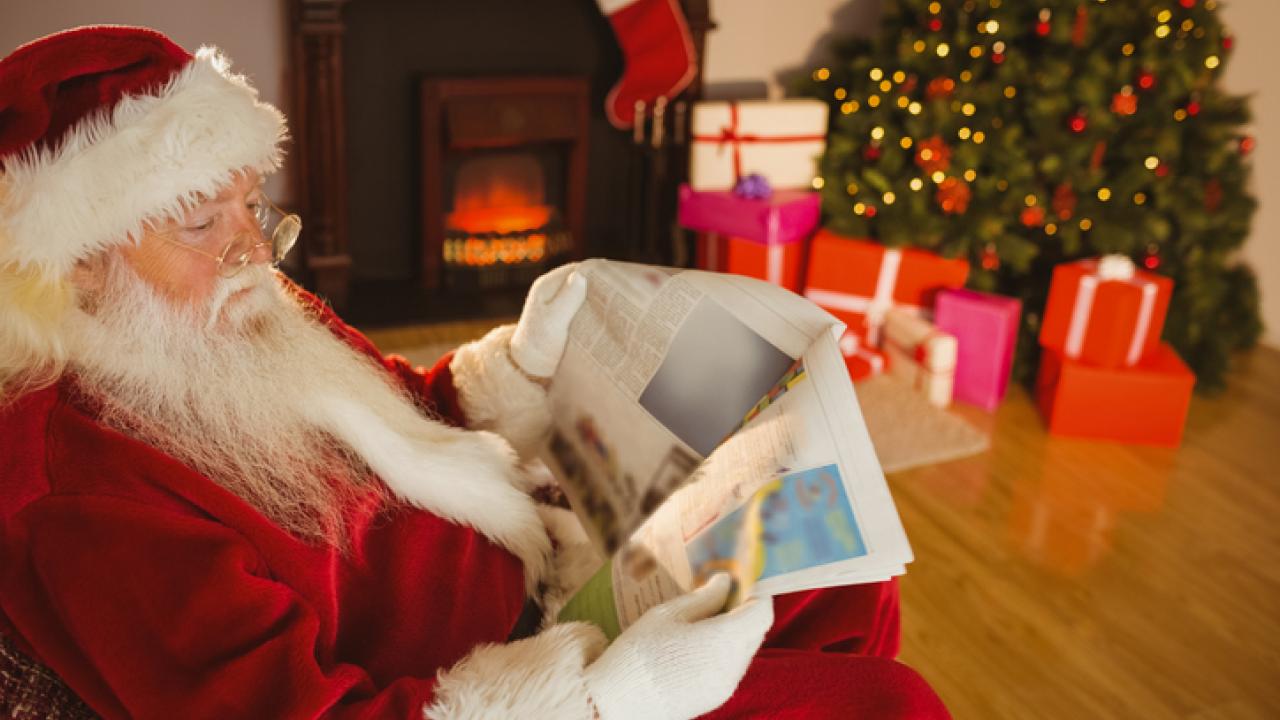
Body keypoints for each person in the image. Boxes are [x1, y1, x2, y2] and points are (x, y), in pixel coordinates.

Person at [0, 26, 949, 719]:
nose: (256, 250)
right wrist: (607, 697)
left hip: (539, 562)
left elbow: (401, 412)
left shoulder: (226, 306)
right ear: (75, 263)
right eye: (202, 222)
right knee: (885, 703)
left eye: (254, 205)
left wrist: (515, 367)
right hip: (498, 687)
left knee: (826, 543)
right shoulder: (75, 494)